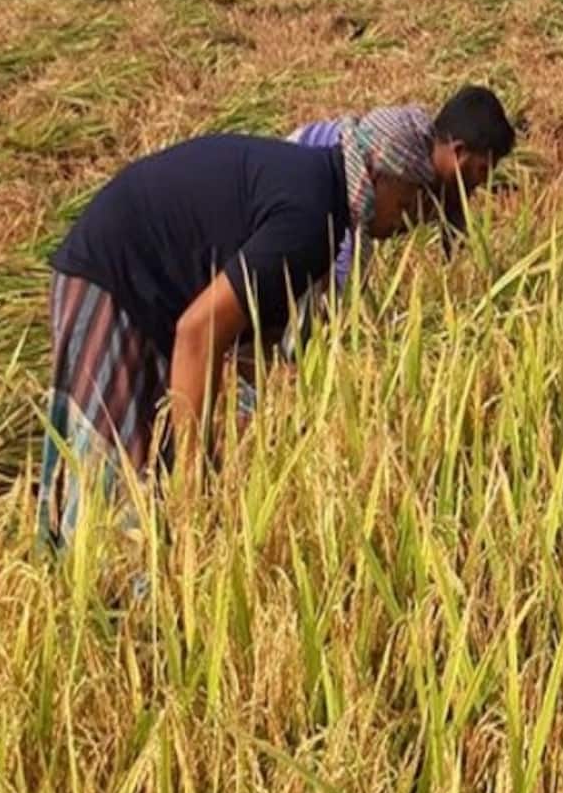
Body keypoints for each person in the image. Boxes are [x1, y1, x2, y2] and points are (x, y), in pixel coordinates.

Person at [39, 121, 442, 549]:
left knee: (155, 459)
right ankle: (75, 575)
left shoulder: (319, 200)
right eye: (408, 200)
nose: (410, 218)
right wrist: (194, 488)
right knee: (109, 482)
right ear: (377, 175)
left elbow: (249, 337)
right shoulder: (310, 218)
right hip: (113, 275)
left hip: (154, 288)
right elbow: (199, 332)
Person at [290, 86, 517, 292]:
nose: (485, 181)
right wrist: (343, 298)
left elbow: (455, 235)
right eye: (482, 169)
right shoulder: (400, 158)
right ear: (458, 152)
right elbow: (353, 218)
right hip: (302, 165)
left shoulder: (447, 182)